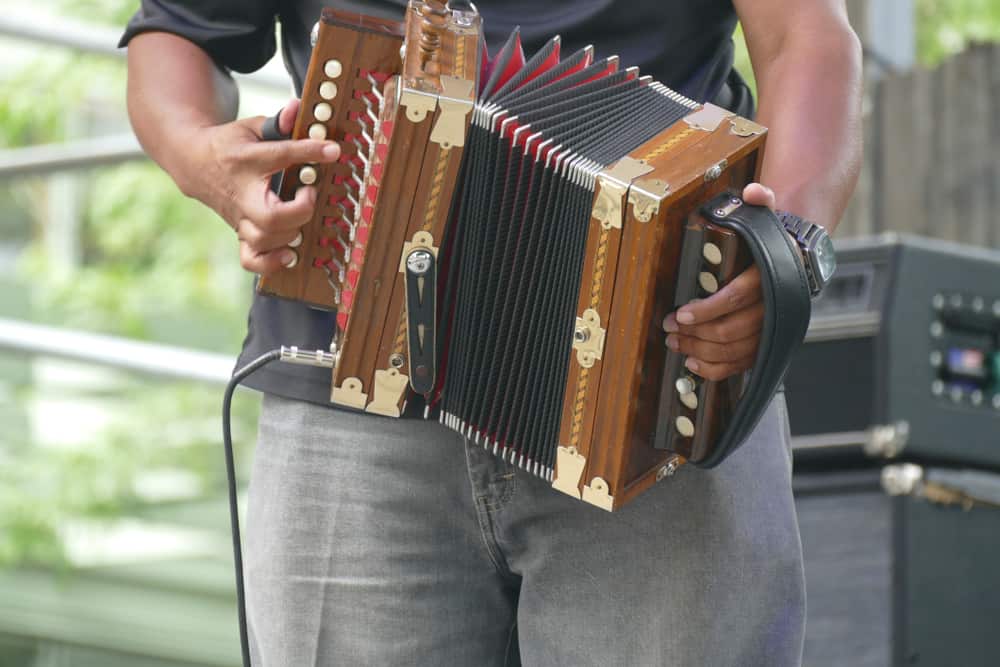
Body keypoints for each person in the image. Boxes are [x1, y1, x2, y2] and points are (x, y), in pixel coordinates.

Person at [122, 1, 861, 664]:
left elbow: (808, 37)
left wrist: (784, 252)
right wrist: (204, 157)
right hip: (343, 366)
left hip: (663, 378)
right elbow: (178, 32)